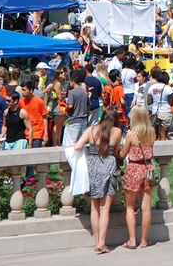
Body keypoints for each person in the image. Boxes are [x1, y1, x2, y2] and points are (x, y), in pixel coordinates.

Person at [74, 108, 122, 254]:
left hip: (93, 167)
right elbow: (116, 152)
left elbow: (77, 146)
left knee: (94, 207)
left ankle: (97, 241)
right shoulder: (117, 132)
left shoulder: (91, 129)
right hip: (108, 167)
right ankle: (102, 242)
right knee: (105, 208)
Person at [120, 105, 156, 250]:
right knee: (146, 208)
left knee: (130, 206)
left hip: (134, 169)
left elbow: (123, 154)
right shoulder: (152, 132)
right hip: (148, 170)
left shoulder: (131, 135)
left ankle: (132, 240)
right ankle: (144, 240)